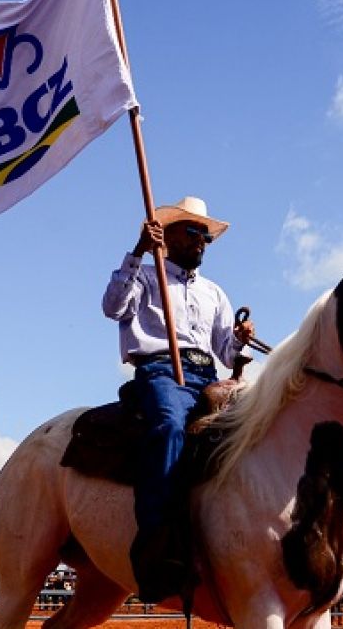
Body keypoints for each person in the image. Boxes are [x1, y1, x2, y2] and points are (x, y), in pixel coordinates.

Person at [102, 196, 254, 602]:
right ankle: (158, 540)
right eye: (193, 232)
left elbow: (225, 352)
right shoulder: (147, 277)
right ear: (167, 236)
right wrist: (136, 251)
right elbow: (112, 307)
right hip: (161, 370)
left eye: (206, 235)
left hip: (207, 373)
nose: (202, 241)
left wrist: (239, 344)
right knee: (170, 427)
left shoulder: (214, 293)